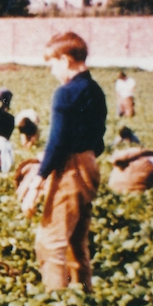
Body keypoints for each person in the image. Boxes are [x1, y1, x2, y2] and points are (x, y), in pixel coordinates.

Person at [20, 31, 107, 292]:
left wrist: (37, 182)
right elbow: (99, 139)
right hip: (90, 165)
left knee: (51, 241)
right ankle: (84, 295)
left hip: (70, 167)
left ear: (66, 60)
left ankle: (56, 304)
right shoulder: (96, 90)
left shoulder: (66, 93)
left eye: (52, 64)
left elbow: (58, 142)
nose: (52, 71)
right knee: (76, 242)